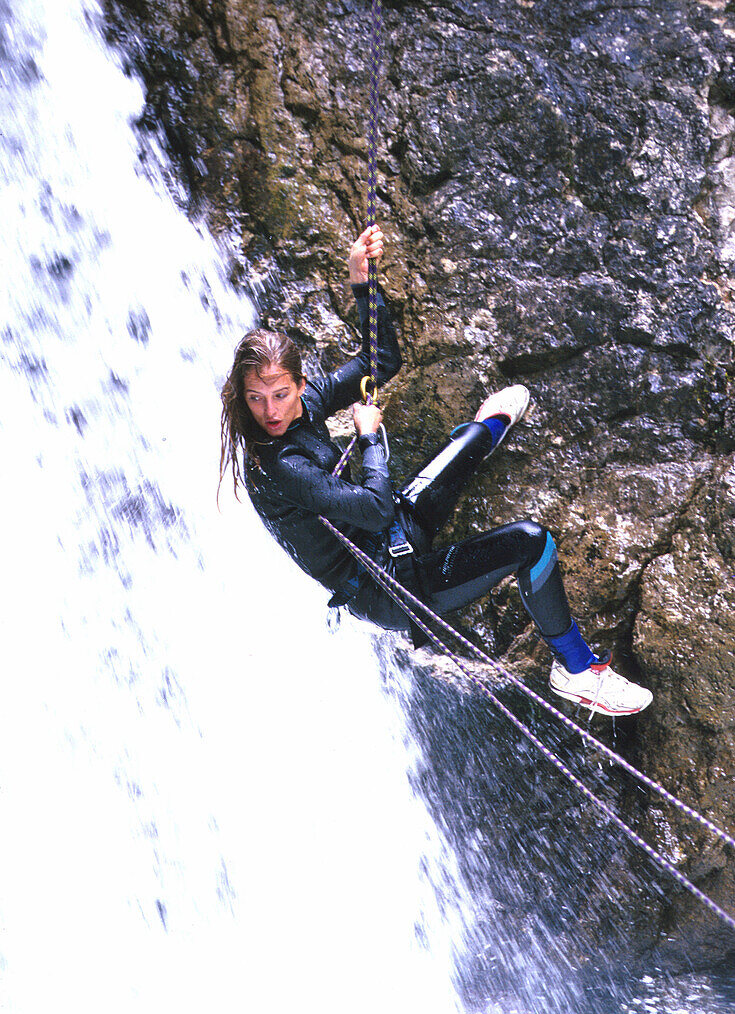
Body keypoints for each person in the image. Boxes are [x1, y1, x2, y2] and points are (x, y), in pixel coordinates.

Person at [219, 225, 652, 717]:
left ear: (299, 385)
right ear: (243, 398)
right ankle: (576, 671)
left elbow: (380, 360)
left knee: (471, 438)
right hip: (390, 589)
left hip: (394, 533)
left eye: (279, 394)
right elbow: (376, 509)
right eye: (256, 399)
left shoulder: (307, 406)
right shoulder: (279, 466)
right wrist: (366, 437)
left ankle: (485, 428)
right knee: (531, 542)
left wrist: (363, 286)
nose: (270, 411)